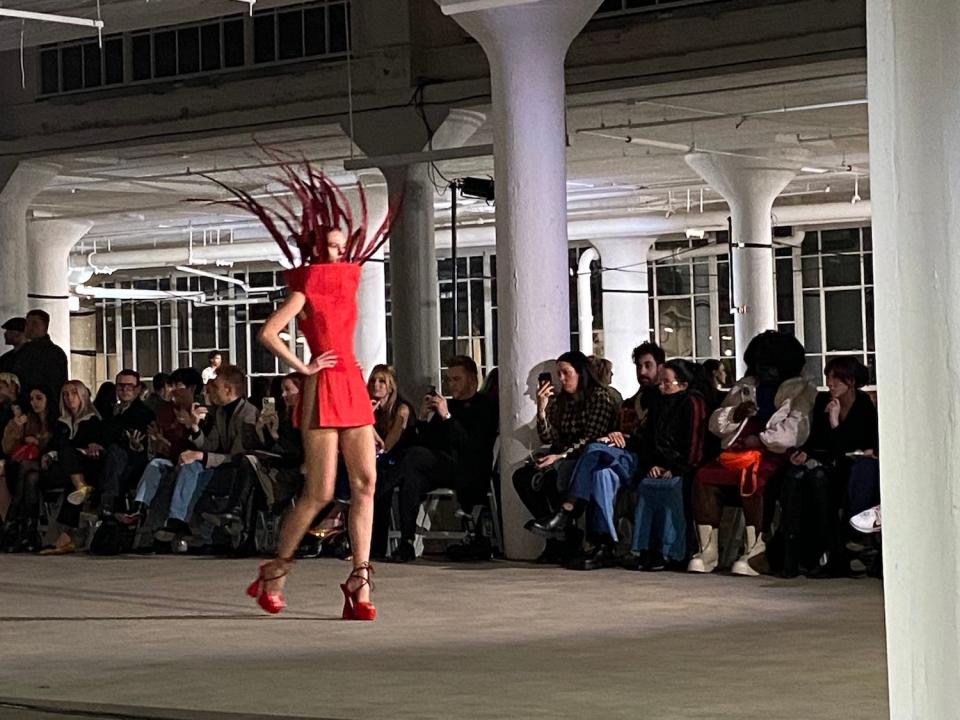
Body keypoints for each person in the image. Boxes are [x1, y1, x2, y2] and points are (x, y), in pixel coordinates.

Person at [217, 163, 396, 619]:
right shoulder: (308, 287)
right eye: (331, 246)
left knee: (366, 484)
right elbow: (268, 332)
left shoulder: (348, 280)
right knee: (318, 492)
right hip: (324, 383)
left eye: (342, 246)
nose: (339, 252)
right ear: (317, 249)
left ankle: (361, 579)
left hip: (351, 380)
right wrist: (306, 366)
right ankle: (275, 570)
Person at [688, 331, 817, 577]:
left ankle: (756, 549)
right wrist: (736, 414)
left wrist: (760, 440)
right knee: (704, 476)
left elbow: (794, 432)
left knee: (753, 476)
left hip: (775, 454)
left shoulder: (801, 391)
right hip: (737, 448)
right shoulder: (745, 385)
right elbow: (716, 424)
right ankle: (707, 550)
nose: (764, 371)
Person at [382, 356, 498, 563]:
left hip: (468, 469)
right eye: (448, 379)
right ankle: (406, 543)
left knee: (412, 460)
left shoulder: (484, 406)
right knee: (411, 475)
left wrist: (447, 418)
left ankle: (379, 489)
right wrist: (423, 418)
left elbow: (471, 446)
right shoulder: (448, 406)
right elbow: (423, 442)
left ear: (472, 379)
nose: (451, 384)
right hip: (440, 467)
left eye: (456, 379)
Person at [777, 356, 878, 577]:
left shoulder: (863, 405)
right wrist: (804, 453)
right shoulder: (824, 401)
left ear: (850, 381)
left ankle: (836, 553)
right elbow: (818, 439)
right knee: (795, 477)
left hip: (849, 466)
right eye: (828, 378)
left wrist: (834, 421)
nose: (830, 383)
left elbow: (853, 444)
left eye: (835, 379)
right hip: (828, 461)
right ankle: (791, 554)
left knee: (820, 480)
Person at [517, 350, 620, 564]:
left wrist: (560, 455)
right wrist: (542, 410)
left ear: (581, 373)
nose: (562, 379)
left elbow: (592, 436)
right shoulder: (562, 401)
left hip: (586, 455)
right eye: (559, 374)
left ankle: (564, 532)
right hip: (561, 453)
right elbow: (548, 436)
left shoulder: (599, 397)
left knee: (557, 475)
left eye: (566, 373)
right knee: (522, 476)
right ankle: (558, 535)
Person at [149, 365, 259, 546]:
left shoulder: (247, 415)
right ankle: (178, 522)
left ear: (229, 390)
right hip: (219, 466)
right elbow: (211, 446)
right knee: (187, 468)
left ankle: (181, 523)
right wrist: (194, 427)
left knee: (191, 472)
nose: (209, 390)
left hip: (237, 473)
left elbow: (239, 456)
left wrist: (201, 456)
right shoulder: (222, 413)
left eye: (215, 387)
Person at [627, 360, 709, 570]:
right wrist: (653, 464)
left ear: (682, 384)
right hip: (660, 464)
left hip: (686, 466)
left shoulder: (692, 402)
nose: (661, 386)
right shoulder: (658, 403)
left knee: (671, 488)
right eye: (661, 382)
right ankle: (647, 549)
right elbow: (649, 439)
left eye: (667, 382)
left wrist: (677, 468)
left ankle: (674, 551)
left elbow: (695, 444)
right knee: (646, 485)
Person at [39, 381, 106, 555]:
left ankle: (64, 537)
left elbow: (97, 446)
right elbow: (55, 445)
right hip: (67, 467)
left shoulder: (94, 420)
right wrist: (49, 454)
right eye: (66, 394)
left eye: (74, 393)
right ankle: (80, 487)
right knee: (67, 470)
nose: (69, 398)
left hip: (89, 466)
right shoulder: (61, 423)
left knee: (70, 462)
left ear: (82, 395)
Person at [1, 385, 57, 551]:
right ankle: (29, 532)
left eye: (39, 398)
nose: (34, 403)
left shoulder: (55, 420)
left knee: (27, 470)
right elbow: (8, 448)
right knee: (31, 477)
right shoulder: (28, 420)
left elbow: (57, 445)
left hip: (50, 466)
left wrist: (38, 443)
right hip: (30, 470)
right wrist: (17, 426)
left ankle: (12, 521)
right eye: (31, 399)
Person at [368, 364, 416, 557]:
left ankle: (377, 546)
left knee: (379, 483)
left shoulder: (402, 409)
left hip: (401, 458)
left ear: (391, 386)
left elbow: (388, 445)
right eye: (373, 380)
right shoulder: (371, 408)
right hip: (379, 460)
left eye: (382, 381)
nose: (376, 385)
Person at [97, 370, 155, 517]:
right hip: (108, 457)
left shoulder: (144, 413)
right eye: (120, 386)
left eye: (129, 386)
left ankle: (110, 502)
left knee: (116, 451)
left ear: (137, 389)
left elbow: (141, 442)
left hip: (134, 460)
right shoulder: (109, 410)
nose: (124, 390)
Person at [10, 310, 68, 402]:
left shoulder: (55, 353)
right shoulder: (23, 351)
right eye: (27, 323)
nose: (30, 328)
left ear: (45, 326)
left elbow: (56, 385)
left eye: (34, 323)